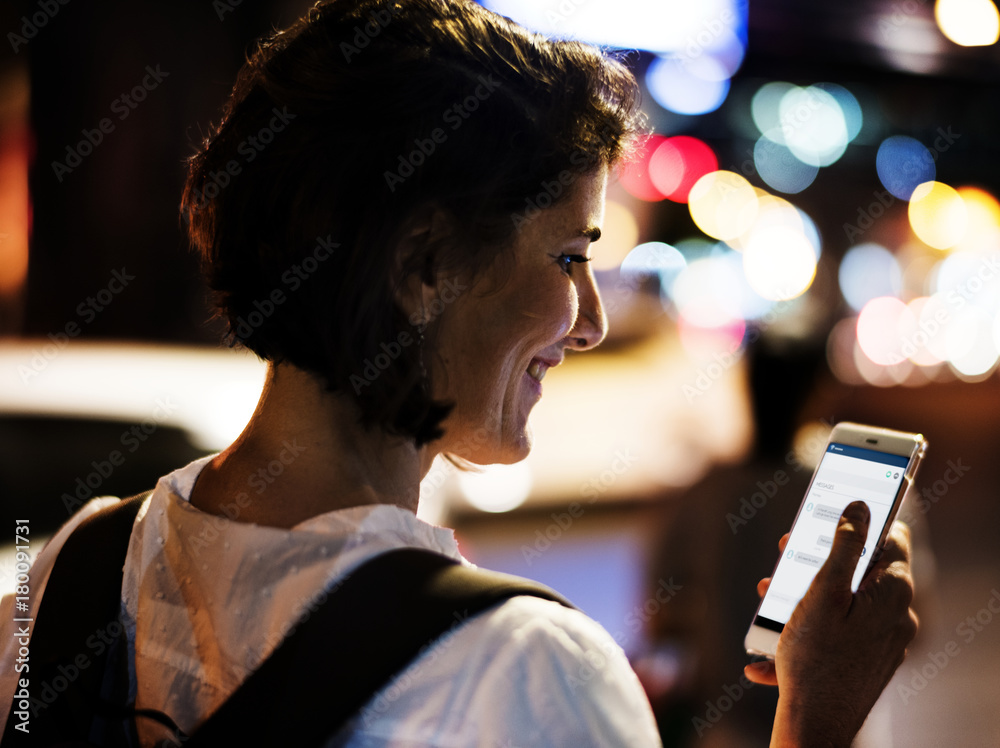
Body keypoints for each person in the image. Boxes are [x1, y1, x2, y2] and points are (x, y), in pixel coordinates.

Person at [0, 0, 917, 745]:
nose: (590, 321)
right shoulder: (529, 669)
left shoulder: (64, 578)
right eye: (568, 258)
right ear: (425, 267)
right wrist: (817, 717)